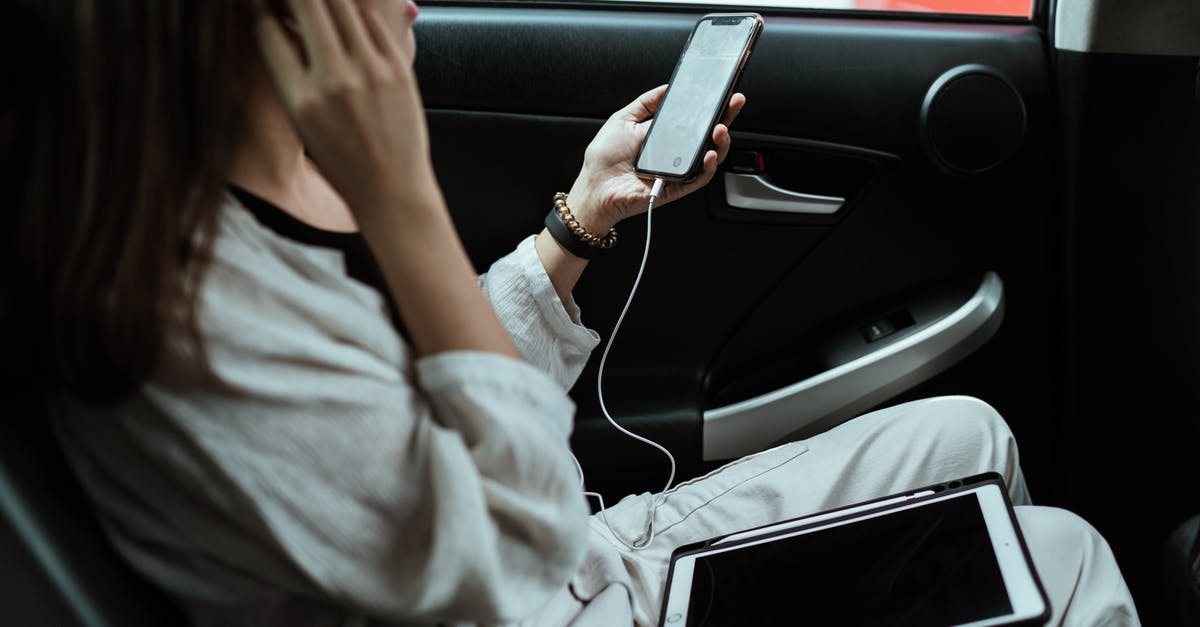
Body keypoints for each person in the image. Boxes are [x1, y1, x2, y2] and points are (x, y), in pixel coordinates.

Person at [4, 1, 1140, 625]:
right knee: (1070, 558)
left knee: (968, 436)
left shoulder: (246, 210)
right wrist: (401, 194)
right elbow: (512, 551)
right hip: (545, 593)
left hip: (570, 564)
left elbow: (441, 409)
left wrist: (578, 223)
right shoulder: (203, 327)